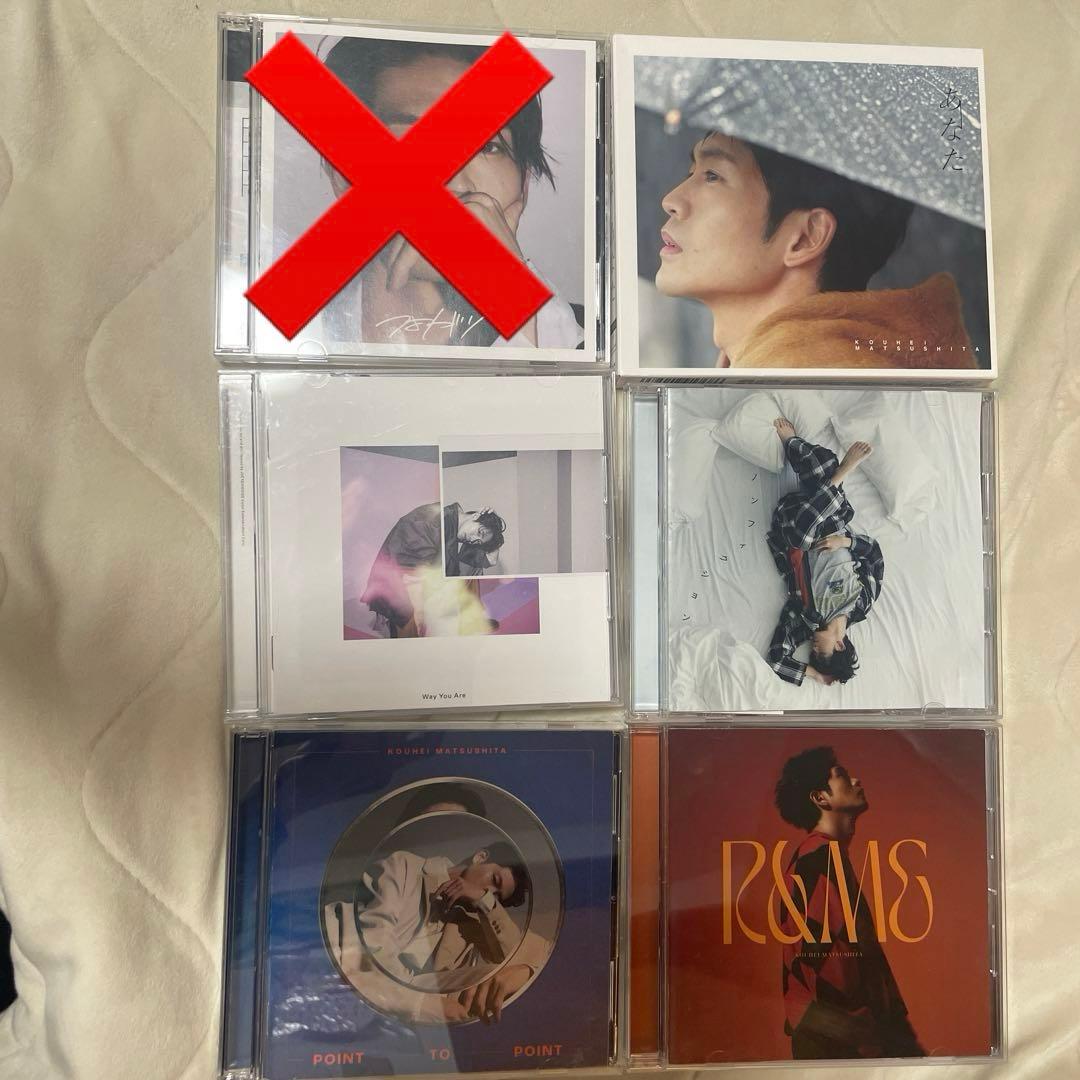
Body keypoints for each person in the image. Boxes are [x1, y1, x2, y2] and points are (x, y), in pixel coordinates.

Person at [317, 37, 585, 350]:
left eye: (488, 147)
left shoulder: (591, 342)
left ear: (523, 185)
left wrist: (519, 311)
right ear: (342, 175)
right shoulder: (290, 340)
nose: (456, 184)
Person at [655, 130, 977, 369]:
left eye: (712, 176)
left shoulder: (801, 386)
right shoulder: (811, 372)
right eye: (691, 173)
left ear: (806, 237)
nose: (671, 200)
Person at [774, 746, 925, 1060]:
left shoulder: (818, 855)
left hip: (834, 1035)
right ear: (820, 798)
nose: (856, 780)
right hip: (840, 1042)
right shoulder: (819, 858)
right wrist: (870, 1039)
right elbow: (830, 963)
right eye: (841, 775)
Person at [324, 841, 538, 1024]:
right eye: (495, 881)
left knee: (493, 979)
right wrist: (418, 1004)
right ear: (480, 857)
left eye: (496, 896)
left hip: (405, 993)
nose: (489, 891)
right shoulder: (406, 866)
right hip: (334, 955)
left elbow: (512, 957)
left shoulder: (472, 924)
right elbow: (373, 947)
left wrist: (485, 902)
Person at [765, 417, 882, 687]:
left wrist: (816, 674)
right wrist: (845, 542)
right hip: (833, 522)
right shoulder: (862, 602)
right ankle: (832, 472)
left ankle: (839, 475)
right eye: (821, 652)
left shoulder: (805, 620)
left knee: (802, 535)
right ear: (840, 645)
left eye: (813, 654)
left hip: (796, 525)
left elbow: (777, 660)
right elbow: (874, 555)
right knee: (823, 467)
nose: (814, 649)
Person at [360, 502, 507, 637]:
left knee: (472, 567)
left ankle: (468, 617)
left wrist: (495, 537)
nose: (473, 539)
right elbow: (413, 576)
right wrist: (421, 615)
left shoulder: (454, 523)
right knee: (412, 634)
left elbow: (490, 560)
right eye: (480, 532)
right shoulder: (430, 523)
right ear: (475, 516)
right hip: (398, 584)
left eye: (478, 541)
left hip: (423, 578)